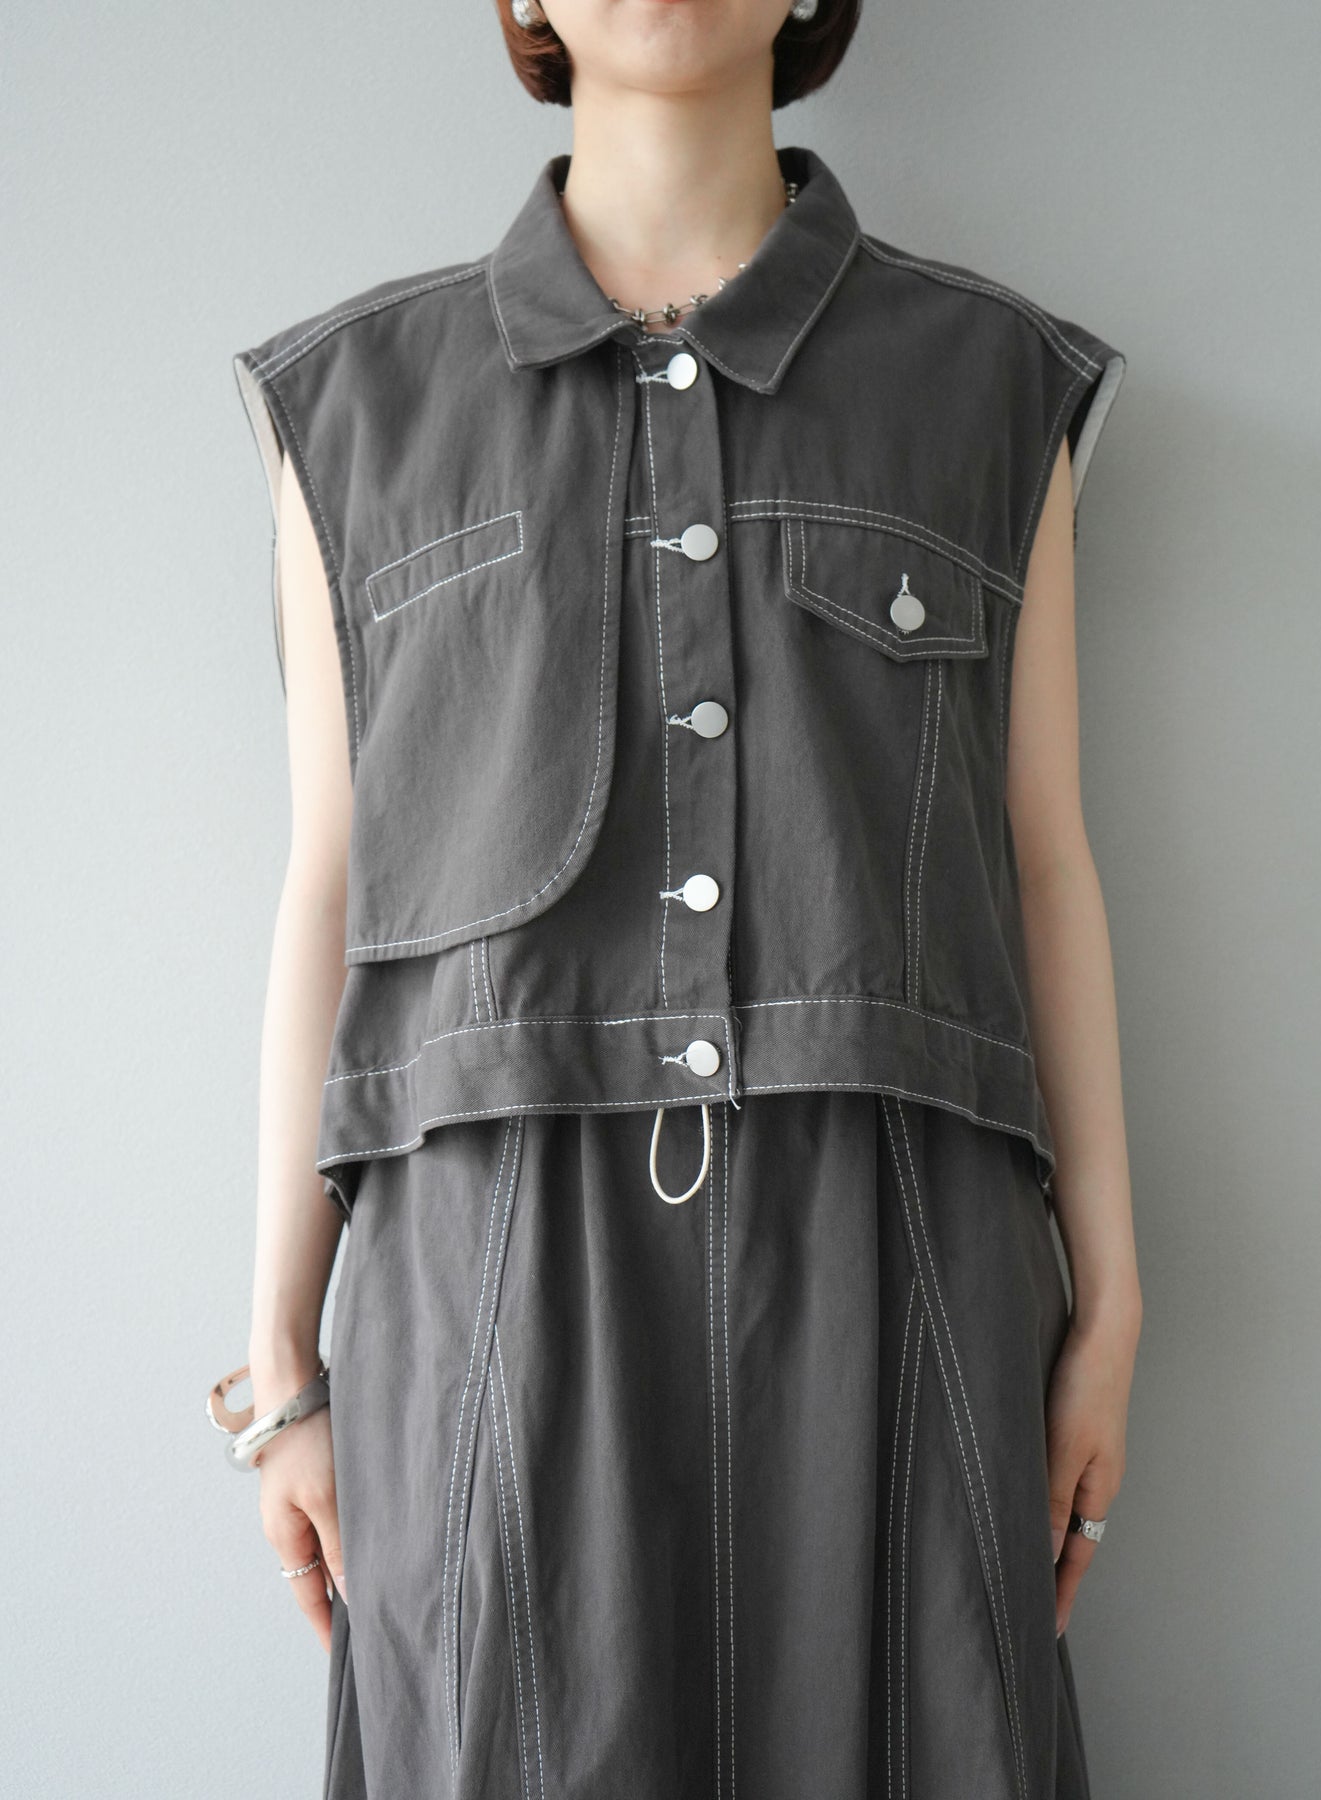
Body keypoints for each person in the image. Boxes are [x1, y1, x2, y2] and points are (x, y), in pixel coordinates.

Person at [215, 2, 1142, 1794]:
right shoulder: (354, 404)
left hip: (894, 1235)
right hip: (487, 1257)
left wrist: (1109, 1307)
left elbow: (1044, 854)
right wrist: (281, 1359)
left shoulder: (987, 382)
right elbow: (325, 872)